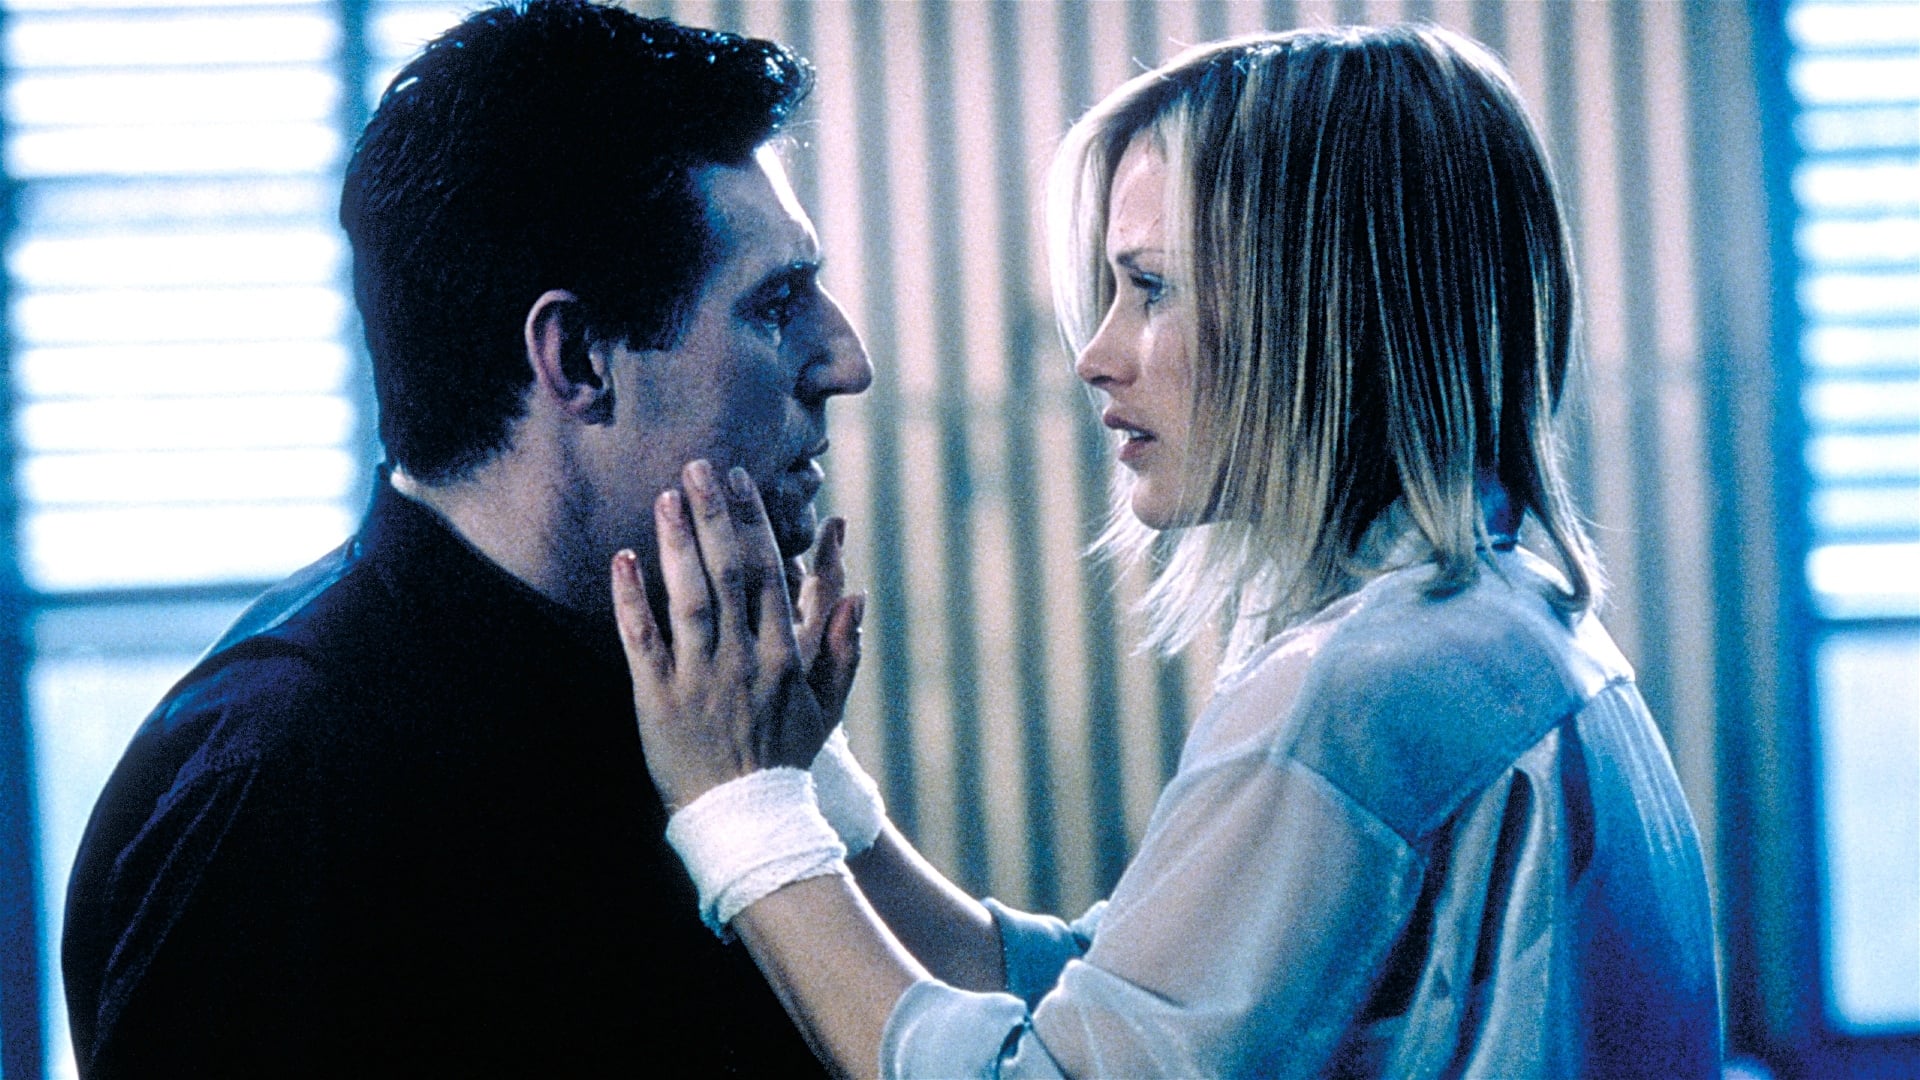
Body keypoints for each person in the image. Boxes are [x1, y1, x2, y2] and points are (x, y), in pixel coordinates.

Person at [609, 25, 1722, 1079]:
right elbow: (1121, 1006)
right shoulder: (1506, 629)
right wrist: (815, 792)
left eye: (1149, 287)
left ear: (1322, 303)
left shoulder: (1360, 691)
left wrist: (740, 808)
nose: (1095, 354)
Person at [61, 2, 870, 1075]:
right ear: (577, 358)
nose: (846, 360)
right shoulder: (287, 779)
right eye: (774, 305)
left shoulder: (699, 707)